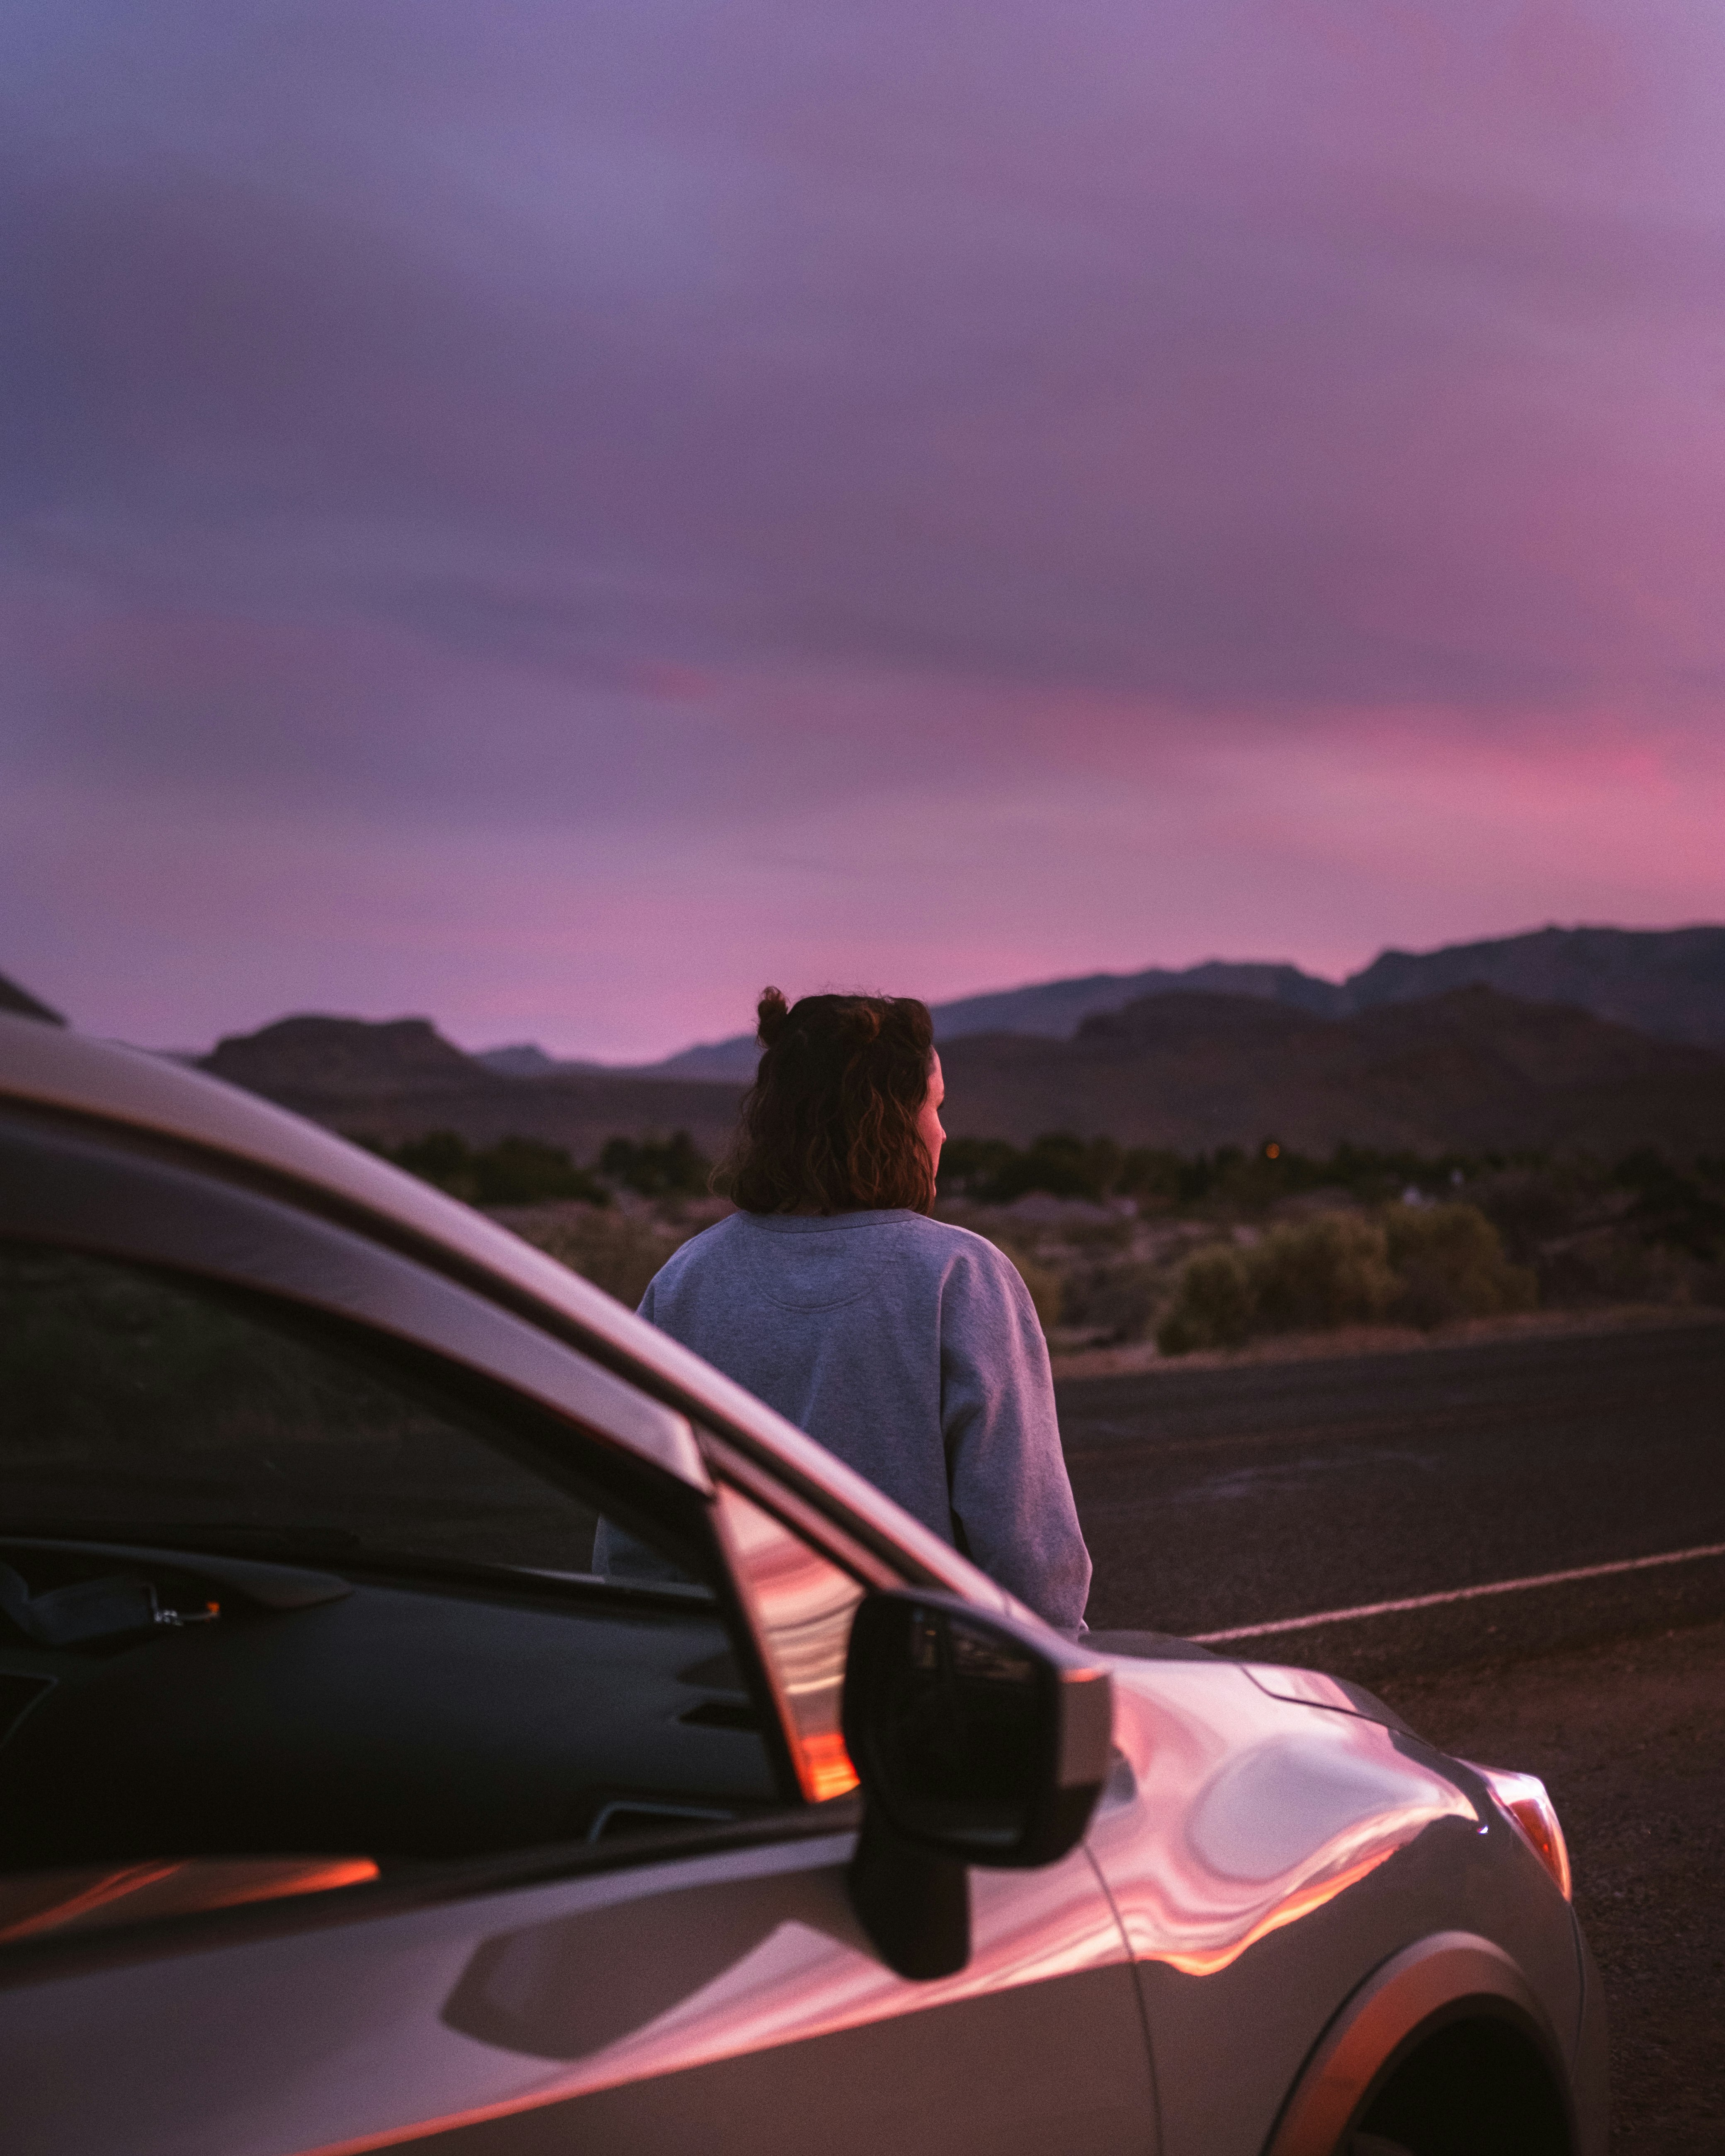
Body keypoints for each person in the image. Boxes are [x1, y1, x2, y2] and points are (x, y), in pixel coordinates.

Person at [634, 986, 1091, 1634]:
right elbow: (1026, 1549)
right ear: (886, 1119)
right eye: (934, 1107)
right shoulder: (960, 1277)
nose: (943, 1132)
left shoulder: (685, 1282)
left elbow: (640, 1544)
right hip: (907, 1694)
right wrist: (1055, 1679)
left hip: (736, 1686)